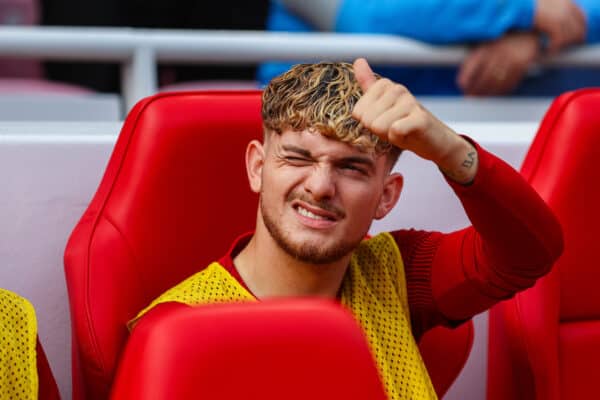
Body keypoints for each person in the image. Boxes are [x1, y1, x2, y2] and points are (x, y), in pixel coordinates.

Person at [131, 59, 563, 399]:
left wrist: (450, 150)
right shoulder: (174, 331)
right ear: (258, 167)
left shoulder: (397, 274)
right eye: (298, 158)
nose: (320, 186)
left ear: (386, 196)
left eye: (352, 168)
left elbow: (530, 254)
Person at [258, 0, 599, 96]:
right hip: (328, 130)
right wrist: (525, 12)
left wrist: (534, 36)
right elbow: (363, 17)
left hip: (516, 129)